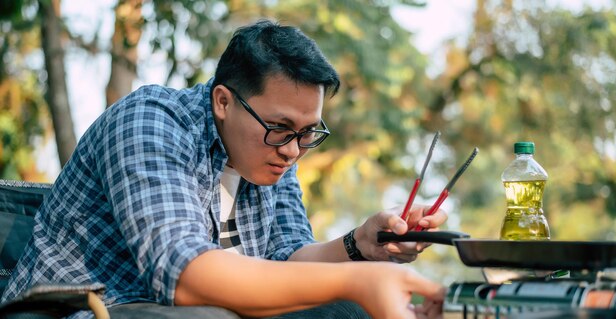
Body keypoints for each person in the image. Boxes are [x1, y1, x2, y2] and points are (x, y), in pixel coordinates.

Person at [1, 19, 448, 319]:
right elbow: (186, 275)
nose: (294, 150)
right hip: (81, 308)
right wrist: (357, 280)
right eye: (281, 128)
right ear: (223, 101)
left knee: (347, 310)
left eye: (308, 132)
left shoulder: (273, 149)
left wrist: (361, 245)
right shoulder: (149, 123)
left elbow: (288, 257)